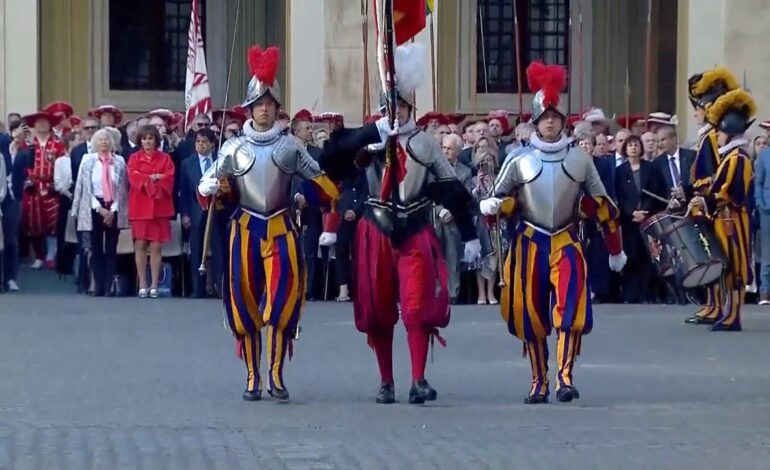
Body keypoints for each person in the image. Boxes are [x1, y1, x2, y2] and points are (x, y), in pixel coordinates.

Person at [319, 43, 482, 405]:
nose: (398, 112)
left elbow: (450, 188)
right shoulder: (370, 138)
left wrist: (469, 233)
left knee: (415, 307)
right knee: (378, 311)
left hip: (416, 231)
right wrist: (370, 135)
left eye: (403, 106)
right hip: (375, 229)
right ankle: (386, 380)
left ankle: (418, 378)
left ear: (412, 108)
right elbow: (331, 160)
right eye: (391, 107)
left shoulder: (425, 143)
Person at [197, 45, 339, 402]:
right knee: (244, 309)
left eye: (269, 103)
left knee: (280, 306)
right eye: (258, 103)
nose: (264, 108)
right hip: (243, 230)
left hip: (281, 230)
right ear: (249, 108)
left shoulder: (291, 146)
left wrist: (325, 191)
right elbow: (211, 188)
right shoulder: (232, 148)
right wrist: (210, 188)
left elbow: (320, 180)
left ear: (277, 108)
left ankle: (275, 374)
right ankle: (251, 376)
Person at [479, 61, 626, 404]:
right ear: (534, 122)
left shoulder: (580, 160)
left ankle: (564, 377)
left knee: (570, 310)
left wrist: (614, 247)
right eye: (544, 117)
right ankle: (538, 379)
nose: (549, 122)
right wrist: (492, 208)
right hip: (529, 243)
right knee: (530, 315)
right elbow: (499, 201)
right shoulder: (517, 159)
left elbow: (603, 204)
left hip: (567, 240)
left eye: (555, 117)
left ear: (563, 121)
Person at [689, 88, 756, 331]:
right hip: (726, 217)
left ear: (728, 134)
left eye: (720, 132)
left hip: (734, 220)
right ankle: (727, 312)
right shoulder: (733, 157)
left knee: (735, 268)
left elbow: (729, 192)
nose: (716, 137)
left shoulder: (737, 158)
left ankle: (733, 315)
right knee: (726, 266)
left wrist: (705, 202)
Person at [684, 67, 740, 325]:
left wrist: (703, 198)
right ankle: (714, 303)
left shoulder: (716, 140)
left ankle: (727, 310)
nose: (695, 112)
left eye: (699, 107)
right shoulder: (707, 137)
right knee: (710, 256)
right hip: (706, 206)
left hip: (720, 209)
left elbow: (714, 177)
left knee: (727, 260)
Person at [71, 128, 129, 297]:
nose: (103, 142)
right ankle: (97, 286)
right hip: (94, 207)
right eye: (100, 139)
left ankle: (108, 286)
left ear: (112, 143)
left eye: (106, 140)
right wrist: (99, 208)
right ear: (95, 143)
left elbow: (123, 188)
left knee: (111, 249)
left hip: (114, 207)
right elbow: (84, 187)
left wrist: (113, 210)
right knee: (96, 249)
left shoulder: (119, 161)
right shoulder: (88, 161)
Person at [127, 125, 176, 299]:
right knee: (140, 244)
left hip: (160, 207)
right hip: (139, 206)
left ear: (156, 140)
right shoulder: (134, 158)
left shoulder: (165, 158)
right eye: (144, 139)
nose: (147, 142)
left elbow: (169, 177)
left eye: (150, 138)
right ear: (140, 140)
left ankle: (155, 285)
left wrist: (151, 177)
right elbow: (134, 177)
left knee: (156, 246)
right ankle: (142, 283)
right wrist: (153, 177)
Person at [20, 111, 66, 270]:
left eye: (45, 122)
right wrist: (28, 179)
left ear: (50, 125)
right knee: (33, 222)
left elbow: (62, 165)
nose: (42, 125)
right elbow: (21, 165)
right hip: (32, 188)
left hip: (51, 187)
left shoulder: (58, 144)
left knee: (52, 222)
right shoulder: (27, 144)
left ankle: (51, 255)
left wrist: (57, 182)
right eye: (39, 122)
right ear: (34, 125)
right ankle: (39, 256)